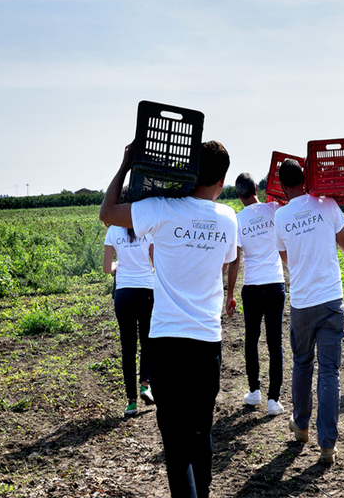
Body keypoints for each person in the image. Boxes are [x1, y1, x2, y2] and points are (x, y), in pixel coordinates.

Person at [100, 140, 238, 498]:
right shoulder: (227, 217)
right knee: (200, 434)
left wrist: (126, 164)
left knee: (177, 448)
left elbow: (108, 213)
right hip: (207, 343)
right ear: (222, 180)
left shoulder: (160, 209)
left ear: (189, 171)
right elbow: (223, 262)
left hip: (166, 343)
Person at [272, 158, 344, 465]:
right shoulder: (326, 204)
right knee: (329, 372)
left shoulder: (281, 215)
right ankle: (327, 445)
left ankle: (301, 425)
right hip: (330, 300)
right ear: (306, 179)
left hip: (302, 302)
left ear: (282, 187)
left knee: (301, 364)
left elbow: (286, 258)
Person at [226, 173, 286, 416]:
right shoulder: (274, 209)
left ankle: (254, 392)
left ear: (239, 195)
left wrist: (229, 293)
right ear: (257, 188)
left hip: (252, 287)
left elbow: (234, 260)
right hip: (275, 284)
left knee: (251, 339)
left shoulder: (238, 219)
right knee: (275, 342)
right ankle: (274, 400)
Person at [102, 225, 156, 416]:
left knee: (128, 346)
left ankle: (131, 402)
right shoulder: (147, 229)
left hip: (124, 294)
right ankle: (145, 385)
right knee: (147, 341)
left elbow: (106, 268)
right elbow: (156, 262)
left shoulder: (113, 231)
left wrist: (117, 264)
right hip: (147, 291)